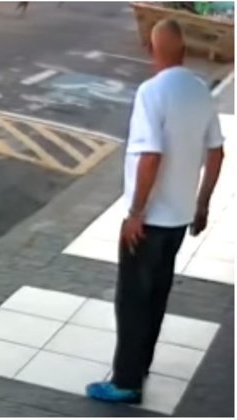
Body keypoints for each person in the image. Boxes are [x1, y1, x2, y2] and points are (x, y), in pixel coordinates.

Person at [86, 19, 225, 404]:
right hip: (179, 217)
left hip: (149, 222)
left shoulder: (151, 92)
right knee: (156, 295)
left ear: (151, 49)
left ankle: (126, 382)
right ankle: (141, 364)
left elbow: (150, 155)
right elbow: (217, 153)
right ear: (184, 50)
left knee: (132, 299)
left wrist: (136, 212)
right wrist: (202, 203)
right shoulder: (199, 90)